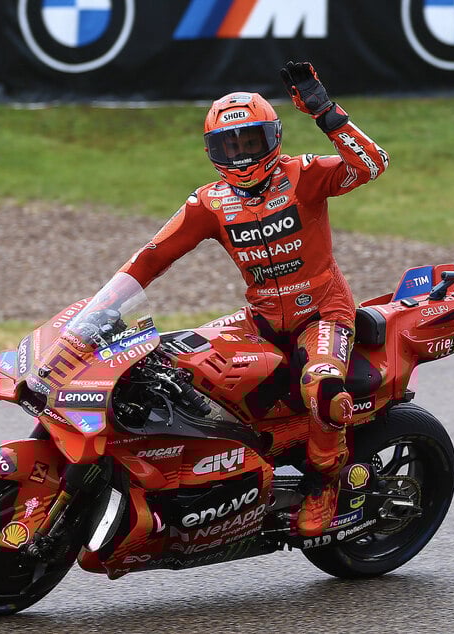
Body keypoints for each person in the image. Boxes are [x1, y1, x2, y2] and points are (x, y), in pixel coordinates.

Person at [117, 61, 389, 536]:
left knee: (323, 388)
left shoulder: (303, 175)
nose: (242, 155)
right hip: (261, 318)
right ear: (212, 152)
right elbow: (151, 258)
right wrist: (100, 307)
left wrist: (325, 113)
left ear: (273, 138)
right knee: (173, 365)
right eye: (230, 145)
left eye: (251, 141)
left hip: (322, 312)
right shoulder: (209, 203)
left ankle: (325, 486)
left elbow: (372, 165)